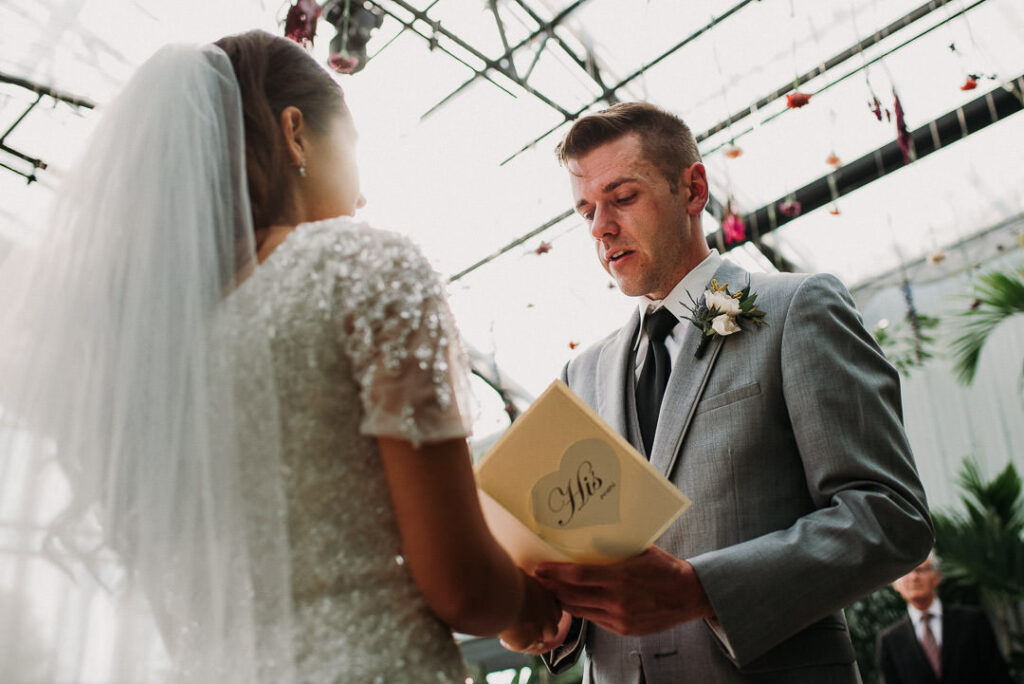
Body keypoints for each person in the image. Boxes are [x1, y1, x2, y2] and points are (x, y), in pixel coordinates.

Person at [0, 30, 559, 683]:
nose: (361, 196)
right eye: (351, 150)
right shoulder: (362, 268)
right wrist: (529, 602)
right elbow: (462, 589)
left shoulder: (136, 368)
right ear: (295, 132)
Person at [507, 102, 934, 683]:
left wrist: (702, 590)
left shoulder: (796, 309)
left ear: (694, 189)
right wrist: (550, 616)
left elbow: (890, 516)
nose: (601, 226)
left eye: (622, 197)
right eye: (587, 210)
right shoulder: (578, 377)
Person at [877, 554, 1012, 683]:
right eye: (905, 572)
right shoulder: (890, 641)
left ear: (936, 577)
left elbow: (998, 675)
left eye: (921, 570)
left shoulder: (973, 621)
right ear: (895, 584)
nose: (913, 577)